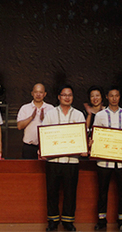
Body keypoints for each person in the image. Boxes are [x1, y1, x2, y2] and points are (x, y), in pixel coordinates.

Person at [42, 85, 86, 231]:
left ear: (73, 97)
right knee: (52, 191)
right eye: (64, 95)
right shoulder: (50, 114)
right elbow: (44, 134)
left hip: (72, 161)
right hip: (53, 160)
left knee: (70, 192)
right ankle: (53, 220)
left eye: (70, 95)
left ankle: (68, 221)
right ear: (59, 97)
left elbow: (82, 135)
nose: (67, 97)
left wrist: (84, 147)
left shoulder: (78, 115)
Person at [91, 87, 122, 230]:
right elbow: (96, 134)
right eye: (111, 96)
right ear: (107, 97)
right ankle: (101, 220)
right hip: (104, 161)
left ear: (119, 97)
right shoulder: (100, 115)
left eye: (117, 95)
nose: (114, 98)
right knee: (102, 192)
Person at [16, 83, 55, 159]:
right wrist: (31, 117)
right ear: (32, 93)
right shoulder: (25, 108)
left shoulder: (50, 108)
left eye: (41, 92)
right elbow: (19, 126)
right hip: (29, 146)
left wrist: (44, 120)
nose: (38, 95)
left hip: (46, 145)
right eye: (36, 92)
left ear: (45, 94)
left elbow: (55, 128)